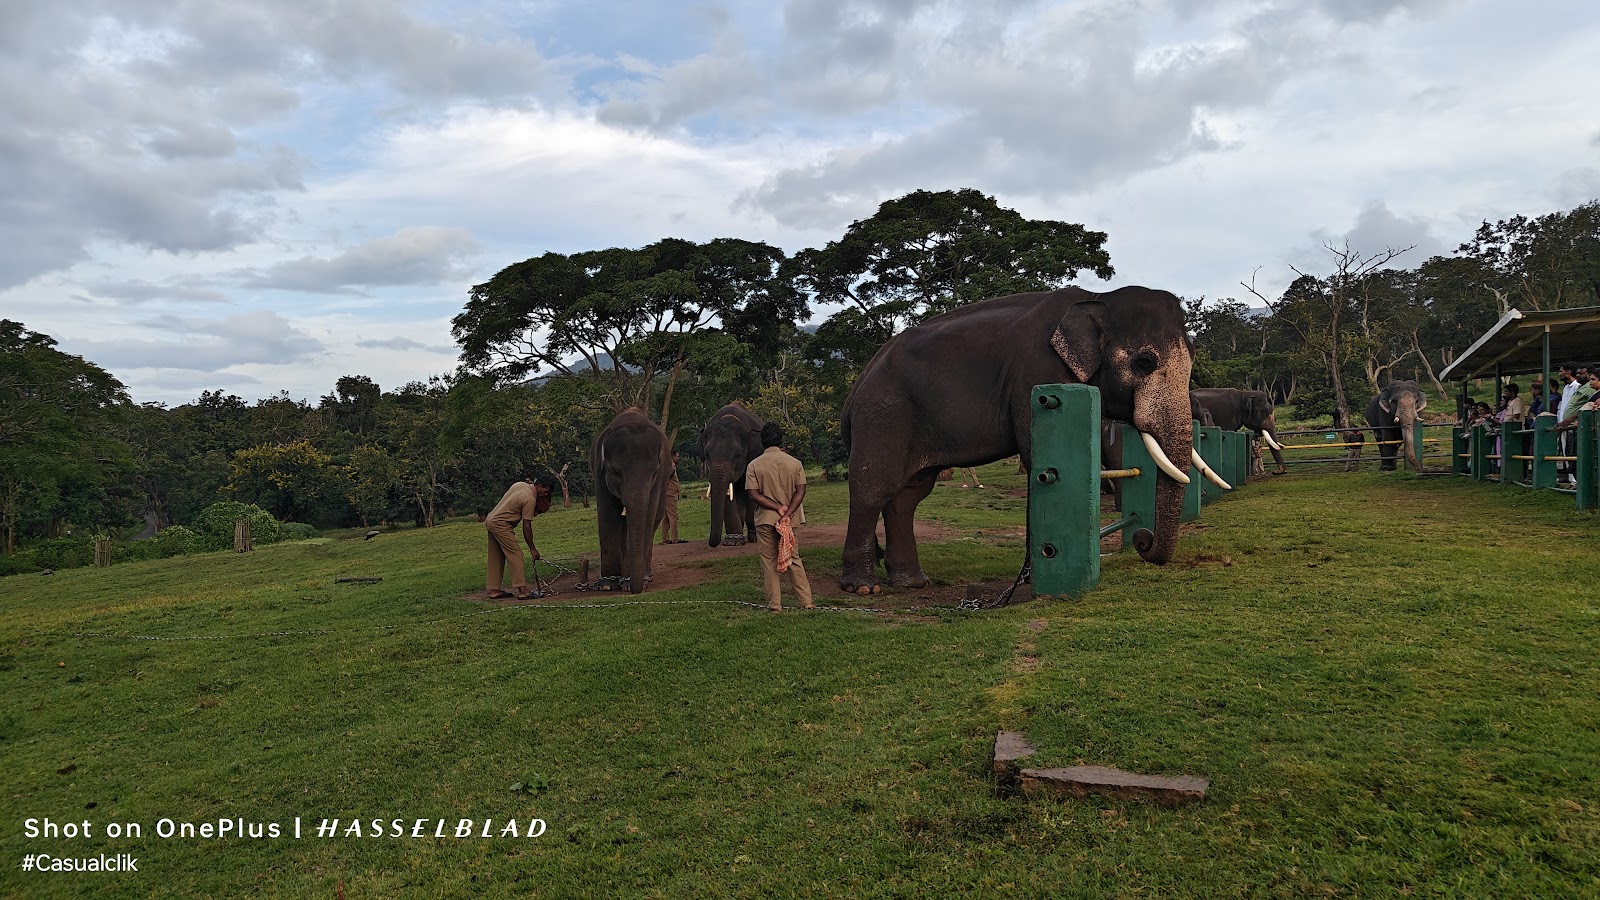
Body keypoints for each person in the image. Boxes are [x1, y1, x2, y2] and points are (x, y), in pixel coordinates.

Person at [744, 422, 813, 612]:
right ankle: (806, 601)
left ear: (762, 441)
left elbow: (753, 494)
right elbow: (801, 491)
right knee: (794, 558)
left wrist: (776, 508)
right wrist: (788, 512)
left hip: (765, 520)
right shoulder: (794, 463)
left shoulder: (754, 465)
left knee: (769, 561)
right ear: (780, 439)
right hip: (790, 521)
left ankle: (774, 605)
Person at [484, 473, 557, 600]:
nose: (545, 494)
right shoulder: (529, 499)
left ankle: (494, 590)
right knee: (516, 554)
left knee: (496, 555)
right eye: (545, 491)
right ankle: (522, 590)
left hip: (490, 520)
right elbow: (527, 527)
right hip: (501, 524)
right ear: (539, 486)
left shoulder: (520, 485)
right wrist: (532, 548)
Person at [659, 451, 684, 544]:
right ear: (673, 456)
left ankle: (665, 539)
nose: (679, 458)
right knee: (673, 516)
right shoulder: (671, 467)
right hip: (670, 495)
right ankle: (675, 538)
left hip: (666, 494)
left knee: (665, 518)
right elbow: (665, 479)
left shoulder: (666, 466)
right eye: (677, 456)